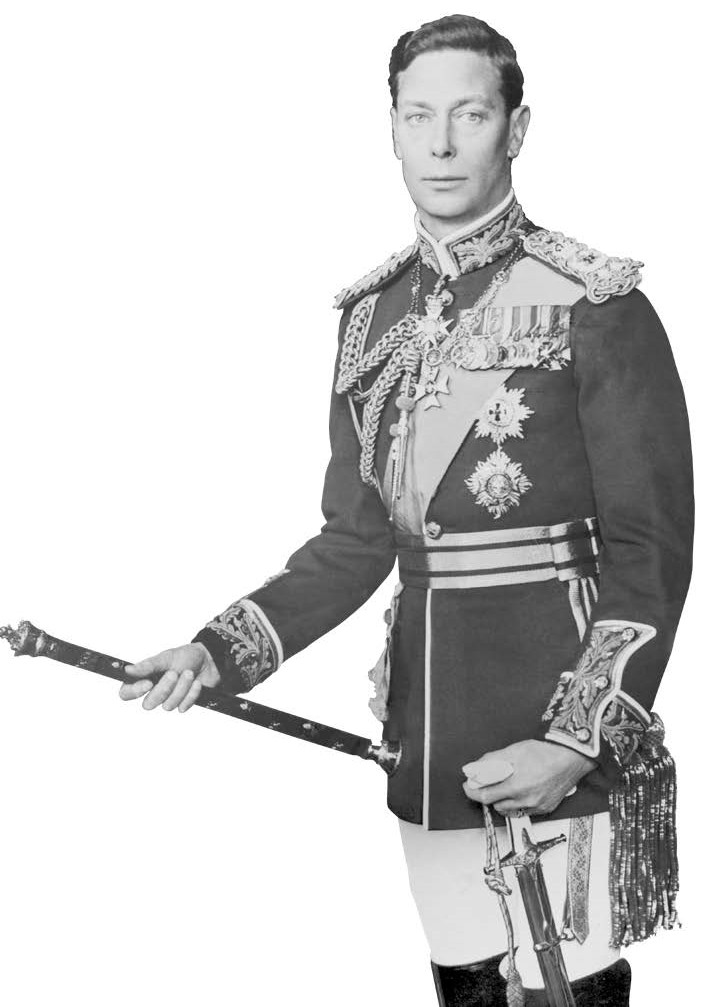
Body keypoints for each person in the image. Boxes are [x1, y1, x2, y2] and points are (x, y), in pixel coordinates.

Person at [119, 15, 693, 1007]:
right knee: (466, 989)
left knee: (567, 992)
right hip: (428, 733)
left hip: (559, 720)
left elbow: (651, 548)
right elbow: (355, 539)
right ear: (390, 129)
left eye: (469, 115)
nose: (441, 143)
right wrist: (219, 650)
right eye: (417, 116)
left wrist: (574, 738)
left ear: (516, 128)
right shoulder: (370, 316)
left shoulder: (595, 303)